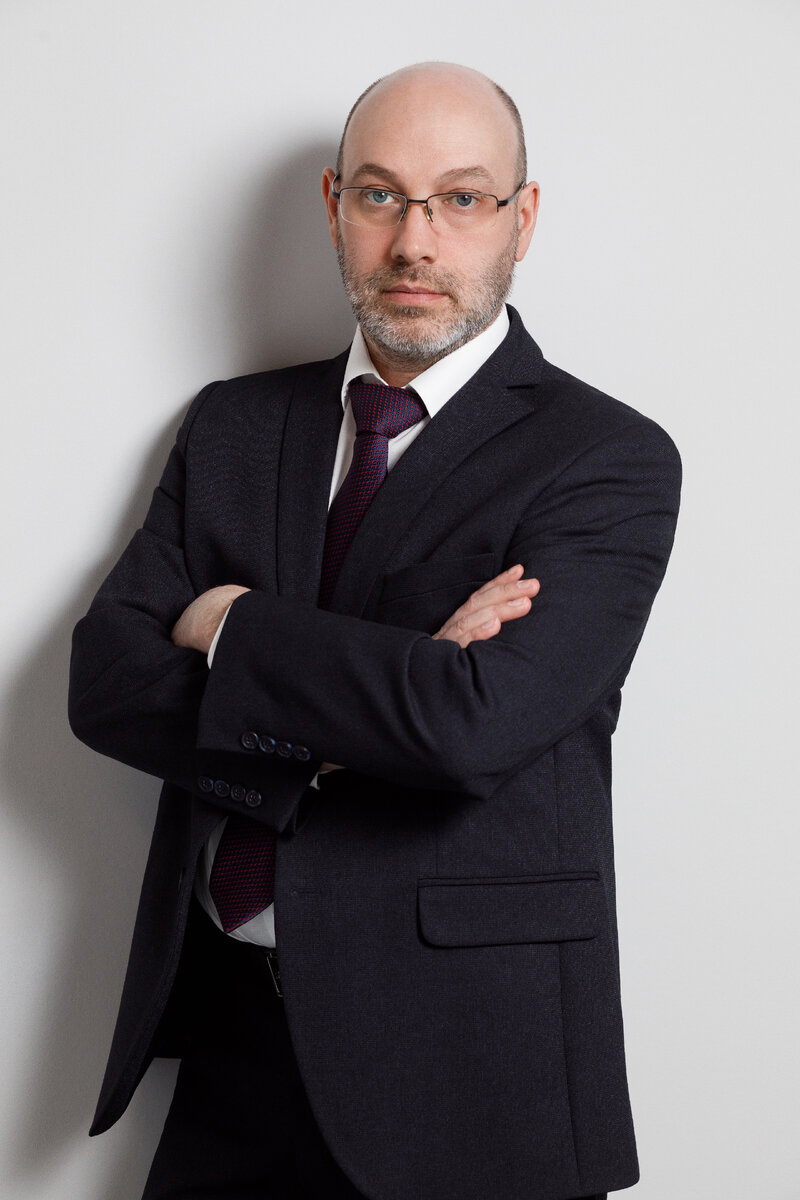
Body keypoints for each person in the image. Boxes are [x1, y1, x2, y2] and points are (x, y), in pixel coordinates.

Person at [69, 61, 681, 1200]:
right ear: (334, 205)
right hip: (231, 1052)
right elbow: (105, 685)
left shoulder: (605, 459)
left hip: (467, 1068)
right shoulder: (234, 425)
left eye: (462, 198)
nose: (414, 242)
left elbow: (469, 729)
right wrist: (377, 707)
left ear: (522, 219)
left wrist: (230, 623)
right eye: (380, 195)